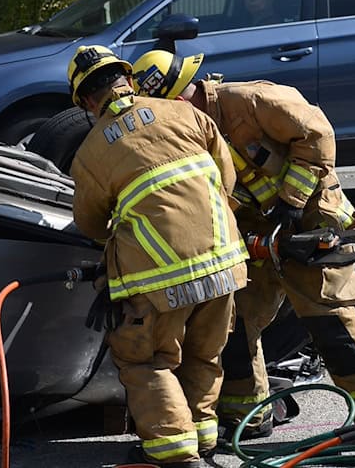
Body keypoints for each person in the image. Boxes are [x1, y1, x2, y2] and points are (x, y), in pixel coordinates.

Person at [130, 49, 355, 440]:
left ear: (188, 90)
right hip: (261, 235)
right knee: (234, 319)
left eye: (174, 103)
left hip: (309, 220)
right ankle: (249, 415)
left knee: (327, 315)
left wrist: (290, 203)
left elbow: (318, 134)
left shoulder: (251, 101)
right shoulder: (190, 131)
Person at [67, 45, 248, 467]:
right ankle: (204, 440)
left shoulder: (91, 152)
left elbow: (91, 224)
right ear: (127, 80)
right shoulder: (184, 113)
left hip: (158, 280)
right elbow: (228, 177)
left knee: (144, 359)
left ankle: (175, 452)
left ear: (88, 103)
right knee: (204, 354)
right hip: (224, 262)